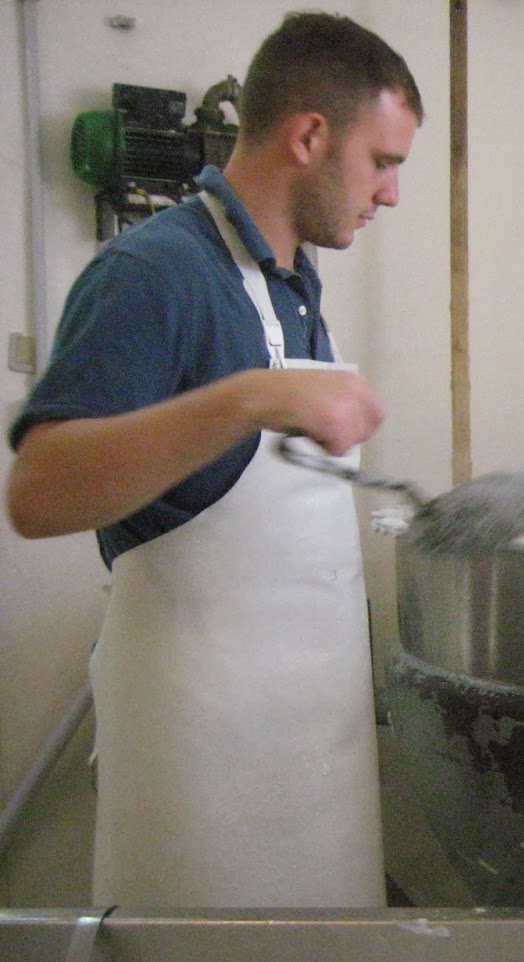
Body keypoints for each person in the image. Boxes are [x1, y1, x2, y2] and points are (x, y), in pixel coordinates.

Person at [5, 13, 424, 907]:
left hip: (315, 762)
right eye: (382, 162)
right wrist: (246, 399)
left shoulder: (293, 282)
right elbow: (38, 493)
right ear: (309, 137)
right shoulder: (155, 273)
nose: (391, 194)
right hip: (197, 781)